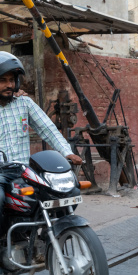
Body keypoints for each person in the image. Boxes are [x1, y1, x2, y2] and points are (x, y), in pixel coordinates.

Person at [0, 52, 82, 254]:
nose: (9, 85)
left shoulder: (24, 103)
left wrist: (66, 152)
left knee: (66, 190)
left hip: (22, 171)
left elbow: (47, 128)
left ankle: (42, 233)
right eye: (2, 80)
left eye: (12, 80)